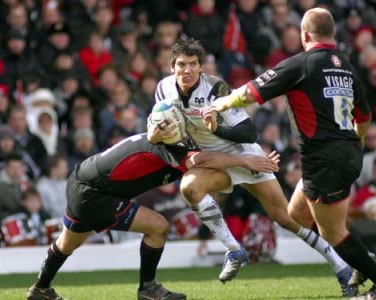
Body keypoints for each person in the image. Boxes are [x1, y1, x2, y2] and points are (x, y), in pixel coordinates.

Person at [152, 37, 356, 295]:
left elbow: (249, 132)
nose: (187, 70)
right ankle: (233, 249)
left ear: (201, 67)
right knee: (189, 188)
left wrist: (217, 128)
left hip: (244, 154)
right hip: (213, 160)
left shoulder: (216, 90)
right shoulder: (163, 90)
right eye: (181, 64)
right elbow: (164, 128)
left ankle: (341, 267)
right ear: (172, 67)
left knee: (287, 219)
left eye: (193, 64)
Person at [208, 8, 376, 299]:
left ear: (305, 35)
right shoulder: (346, 67)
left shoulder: (301, 64)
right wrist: (351, 148)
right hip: (347, 152)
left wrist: (219, 104)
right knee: (296, 214)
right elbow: (363, 118)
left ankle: (373, 272)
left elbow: (250, 92)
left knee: (333, 233)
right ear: (333, 34)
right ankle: (364, 259)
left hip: (324, 157)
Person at [27, 131, 279, 300]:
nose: (162, 128)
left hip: (82, 181)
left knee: (67, 243)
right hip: (93, 194)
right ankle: (148, 288)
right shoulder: (168, 148)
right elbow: (204, 159)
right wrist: (247, 161)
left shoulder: (167, 140)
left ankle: (40, 288)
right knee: (158, 227)